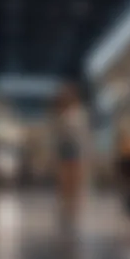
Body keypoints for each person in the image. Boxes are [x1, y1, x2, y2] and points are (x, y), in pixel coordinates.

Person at [54, 84, 89, 233]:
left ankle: (73, 206)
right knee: (66, 178)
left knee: (74, 178)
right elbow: (60, 135)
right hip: (66, 148)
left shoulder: (78, 114)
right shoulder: (63, 115)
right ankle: (67, 205)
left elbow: (82, 134)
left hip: (74, 148)